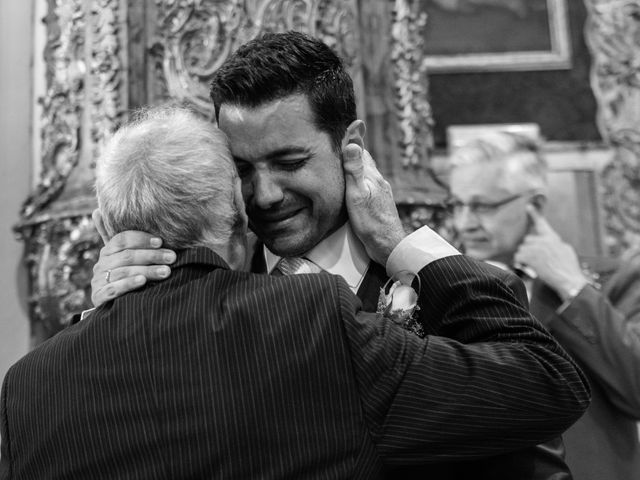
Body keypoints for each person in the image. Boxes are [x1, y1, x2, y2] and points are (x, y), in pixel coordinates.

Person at [0, 106, 589, 479]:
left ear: (107, 225)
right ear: (234, 205)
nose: (268, 196)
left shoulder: (28, 386)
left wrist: (91, 323)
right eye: (248, 177)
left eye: (289, 161)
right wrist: (406, 245)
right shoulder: (310, 319)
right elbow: (545, 383)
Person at [448, 130, 640, 480]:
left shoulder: (613, 281)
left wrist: (573, 287)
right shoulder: (447, 291)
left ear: (534, 205)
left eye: (482, 206)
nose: (464, 223)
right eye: (457, 205)